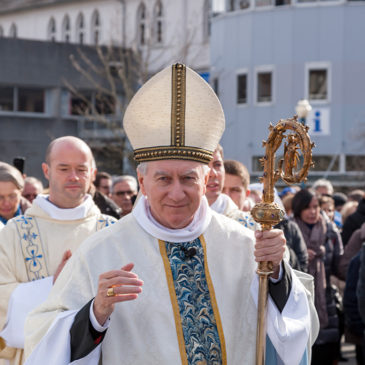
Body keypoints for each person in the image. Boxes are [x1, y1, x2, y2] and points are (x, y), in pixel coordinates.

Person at [24, 64, 318, 365]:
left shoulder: (244, 246)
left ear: (206, 181)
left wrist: (278, 273)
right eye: (164, 179)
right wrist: (96, 313)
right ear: (143, 183)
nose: (177, 193)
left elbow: (297, 329)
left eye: (188, 179)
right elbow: (43, 340)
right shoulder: (101, 252)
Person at [0, 136, 116, 365]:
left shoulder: (112, 230)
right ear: (46, 170)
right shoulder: (13, 232)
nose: (73, 177)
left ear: (92, 173)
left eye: (81, 169)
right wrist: (52, 286)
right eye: (63, 168)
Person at [291, 189, 343, 365]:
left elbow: (340, 266)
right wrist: (301, 256)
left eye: (315, 207)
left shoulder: (329, 230)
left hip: (325, 303)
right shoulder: (290, 230)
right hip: (298, 302)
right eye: (307, 207)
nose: (312, 212)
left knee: (325, 355)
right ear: (298, 209)